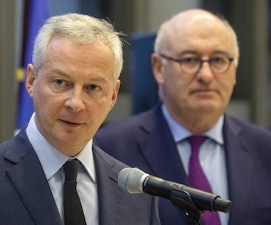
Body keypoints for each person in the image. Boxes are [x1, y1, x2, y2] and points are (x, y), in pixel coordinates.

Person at [0, 13, 160, 225]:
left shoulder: (137, 193)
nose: (75, 103)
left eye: (93, 87)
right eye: (60, 83)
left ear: (113, 96)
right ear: (31, 81)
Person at [94, 9, 271, 225]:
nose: (206, 75)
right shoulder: (110, 148)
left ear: (234, 68)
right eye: (189, 60)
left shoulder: (265, 149)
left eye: (218, 60)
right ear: (159, 68)